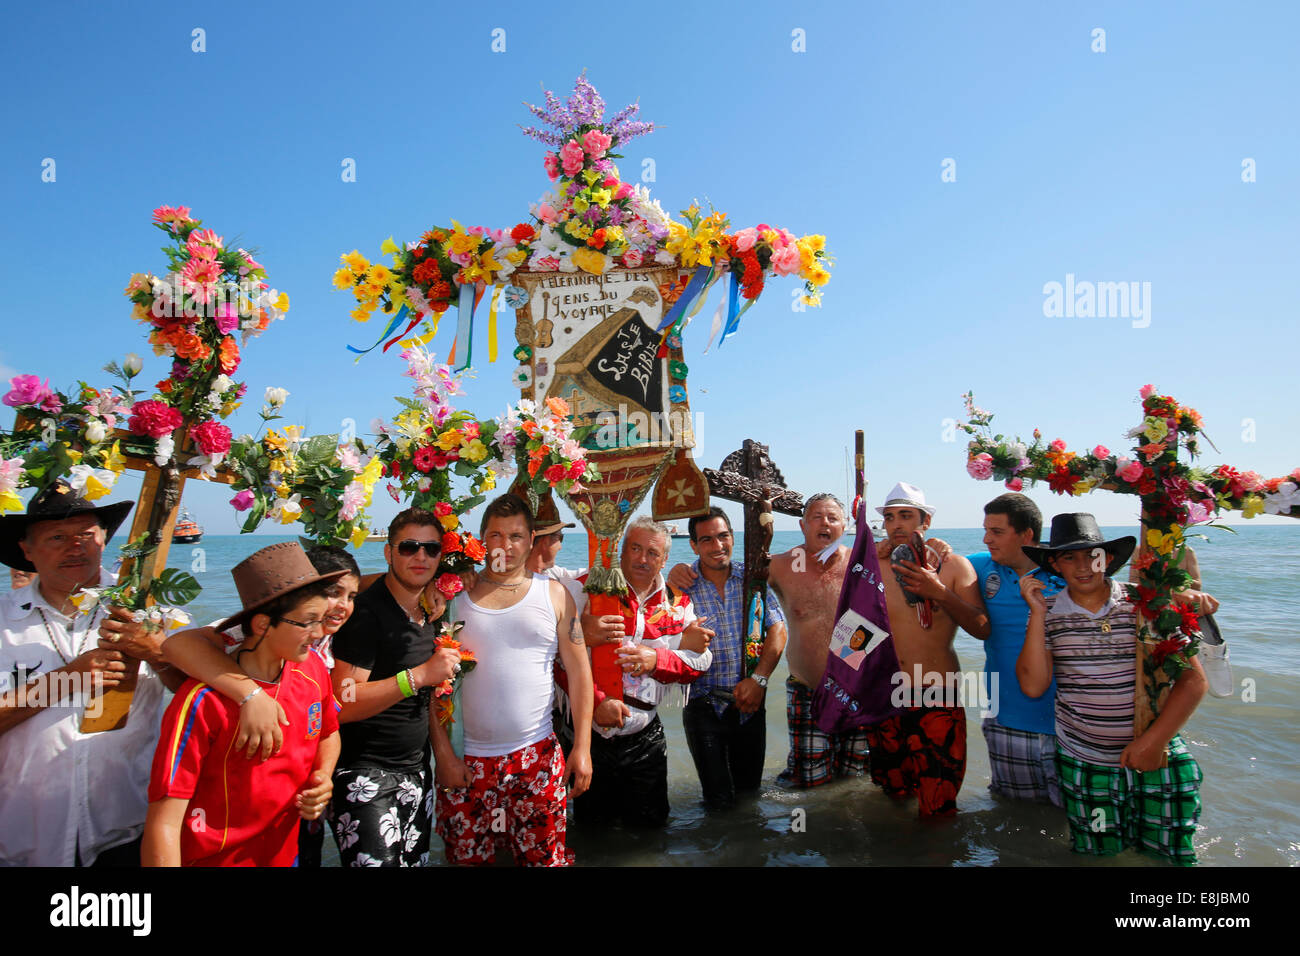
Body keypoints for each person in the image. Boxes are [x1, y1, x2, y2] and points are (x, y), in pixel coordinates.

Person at [0, 481, 187, 866]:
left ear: (104, 540)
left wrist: (159, 654)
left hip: (127, 829)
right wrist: (68, 679)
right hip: (23, 838)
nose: (76, 546)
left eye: (87, 535)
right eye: (57, 536)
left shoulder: (150, 611)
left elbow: (200, 701)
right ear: (27, 550)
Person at [1017, 513, 1211, 864]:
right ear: (1055, 565)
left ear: (1107, 559)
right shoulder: (1047, 612)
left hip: (1159, 756)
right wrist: (1036, 614)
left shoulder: (1147, 604)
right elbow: (1033, 686)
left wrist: (1152, 743)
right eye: (1069, 557)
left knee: (1170, 856)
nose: (1084, 566)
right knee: (1097, 855)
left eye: (1093, 555)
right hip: (1085, 761)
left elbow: (1193, 681)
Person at [141, 542, 344, 866]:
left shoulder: (313, 671)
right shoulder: (202, 703)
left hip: (285, 855)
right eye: (307, 622)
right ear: (263, 624)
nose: (318, 633)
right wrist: (250, 695)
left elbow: (328, 732)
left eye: (322, 620)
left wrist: (323, 776)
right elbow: (163, 821)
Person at [433, 494, 593, 865]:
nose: (505, 545)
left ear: (532, 538)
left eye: (516, 536)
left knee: (545, 859)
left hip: (536, 757)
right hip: (465, 761)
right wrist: (443, 754)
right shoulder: (453, 597)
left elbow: (581, 673)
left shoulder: (555, 596)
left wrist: (582, 748)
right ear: (481, 538)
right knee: (467, 860)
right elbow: (436, 683)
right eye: (496, 535)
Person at [328, 508, 462, 867]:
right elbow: (343, 700)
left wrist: (443, 755)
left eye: (431, 549)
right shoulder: (364, 615)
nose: (420, 556)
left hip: (417, 773)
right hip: (365, 776)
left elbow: (426, 698)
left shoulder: (427, 613)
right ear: (388, 553)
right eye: (408, 547)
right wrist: (417, 675)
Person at [571, 516, 713, 828]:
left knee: (650, 834)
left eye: (652, 553)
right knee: (592, 832)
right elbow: (554, 658)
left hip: (645, 737)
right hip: (589, 736)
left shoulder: (678, 603)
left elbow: (700, 664)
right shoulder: (586, 588)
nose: (642, 558)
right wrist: (595, 702)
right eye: (635, 548)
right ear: (621, 551)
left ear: (665, 560)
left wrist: (657, 659)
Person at [866, 482, 987, 817]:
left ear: (925, 521)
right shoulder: (874, 565)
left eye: (906, 515)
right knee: (893, 794)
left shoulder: (953, 566)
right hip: (886, 694)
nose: (897, 524)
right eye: (890, 517)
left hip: (936, 693)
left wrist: (941, 593)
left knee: (939, 803)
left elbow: (981, 628)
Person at [669, 506, 787, 810]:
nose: (717, 546)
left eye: (723, 536)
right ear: (693, 545)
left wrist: (759, 680)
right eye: (706, 540)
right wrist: (669, 581)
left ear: (733, 537)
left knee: (750, 796)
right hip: (702, 707)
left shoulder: (752, 580)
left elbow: (778, 631)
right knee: (717, 801)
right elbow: (659, 635)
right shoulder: (682, 587)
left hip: (749, 703)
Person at [963, 493, 1065, 806]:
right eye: (985, 530)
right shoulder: (980, 567)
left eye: (996, 532)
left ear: (1027, 535)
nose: (986, 539)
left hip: (1071, 726)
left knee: (1074, 824)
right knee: (1013, 819)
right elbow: (927, 567)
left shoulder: (1069, 571)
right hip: (1005, 721)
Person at [764, 493, 870, 788]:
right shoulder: (781, 566)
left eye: (833, 518)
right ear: (802, 525)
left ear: (845, 524)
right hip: (808, 691)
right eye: (817, 517)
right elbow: (736, 576)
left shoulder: (865, 564)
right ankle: (810, 832)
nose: (825, 523)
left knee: (856, 781)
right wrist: (686, 571)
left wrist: (937, 549)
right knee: (809, 782)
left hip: (858, 691)